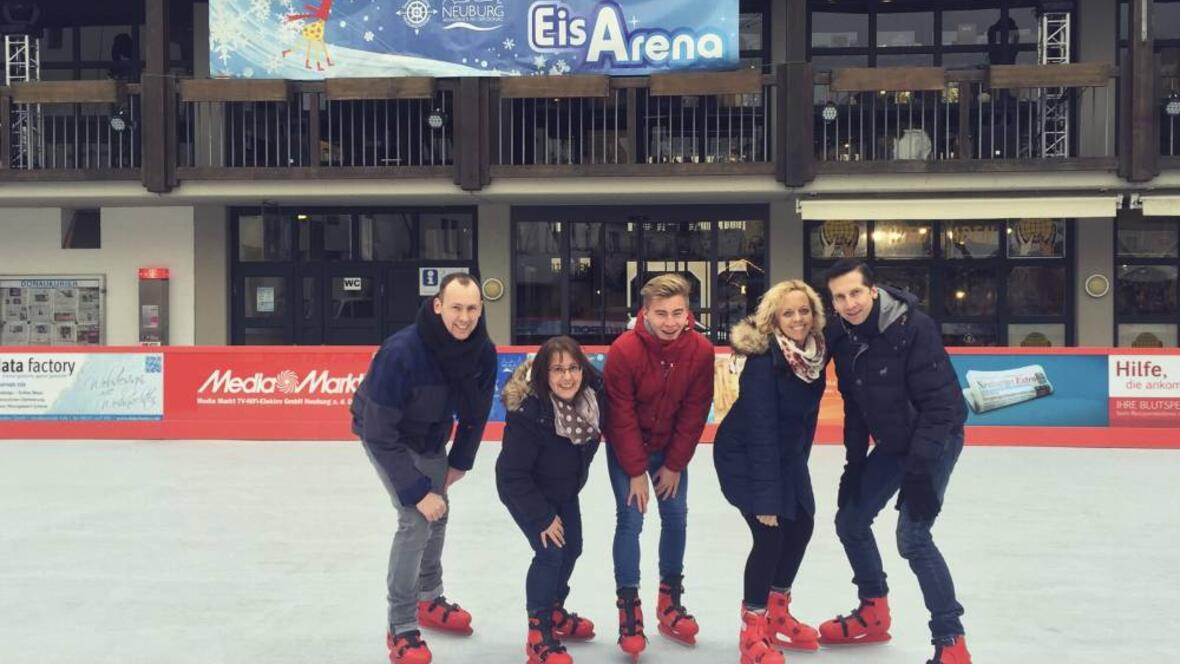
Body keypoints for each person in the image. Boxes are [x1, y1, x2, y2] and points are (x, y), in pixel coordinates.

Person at [820, 260, 971, 664]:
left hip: (936, 438)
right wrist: (854, 467)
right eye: (839, 296)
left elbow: (941, 409)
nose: (849, 303)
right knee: (850, 521)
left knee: (913, 537)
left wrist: (920, 476)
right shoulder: (842, 336)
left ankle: (951, 642)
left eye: (855, 292)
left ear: (873, 291)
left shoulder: (913, 328)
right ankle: (873, 612)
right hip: (892, 441)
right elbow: (854, 405)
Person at [351, 272, 498, 664]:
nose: (464, 317)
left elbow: (476, 413)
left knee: (440, 512)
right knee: (415, 518)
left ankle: (428, 600)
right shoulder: (401, 352)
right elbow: (380, 432)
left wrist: (461, 460)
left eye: (472, 308)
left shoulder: (482, 351)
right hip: (387, 432)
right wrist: (416, 490)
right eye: (455, 308)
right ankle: (400, 626)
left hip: (432, 435)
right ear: (438, 306)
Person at [713, 280, 828, 664]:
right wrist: (766, 498)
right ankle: (753, 629)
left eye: (804, 311)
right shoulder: (765, 361)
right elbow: (760, 429)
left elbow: (805, 421)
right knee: (770, 535)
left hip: (787, 456)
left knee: (803, 524)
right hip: (747, 456)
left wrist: (798, 464)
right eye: (788, 312)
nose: (797, 319)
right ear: (774, 319)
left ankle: (778, 615)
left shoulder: (813, 357)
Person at [603, 273, 714, 661]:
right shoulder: (623, 351)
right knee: (631, 520)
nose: (670, 321)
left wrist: (675, 463)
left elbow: (695, 411)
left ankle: (670, 601)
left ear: (689, 313)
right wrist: (636, 469)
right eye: (661, 313)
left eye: (678, 313)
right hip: (627, 449)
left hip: (670, 449)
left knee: (677, 517)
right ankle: (629, 606)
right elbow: (620, 415)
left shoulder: (700, 351)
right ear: (645, 312)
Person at [496, 336, 606, 664]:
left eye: (573, 368)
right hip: (525, 490)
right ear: (544, 374)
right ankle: (538, 632)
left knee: (573, 547)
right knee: (551, 552)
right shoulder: (531, 411)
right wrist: (542, 516)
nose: (567, 377)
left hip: (565, 488)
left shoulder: (592, 402)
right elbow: (512, 473)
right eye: (558, 370)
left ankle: (555, 609)